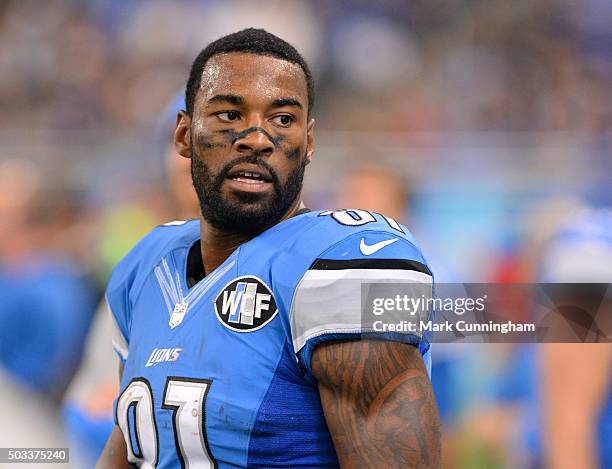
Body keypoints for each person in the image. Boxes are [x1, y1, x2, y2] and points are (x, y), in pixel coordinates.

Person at [96, 28, 440, 468]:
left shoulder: (339, 263)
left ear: (309, 143)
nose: (257, 139)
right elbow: (136, 440)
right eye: (228, 115)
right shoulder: (147, 264)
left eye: (282, 119)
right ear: (183, 134)